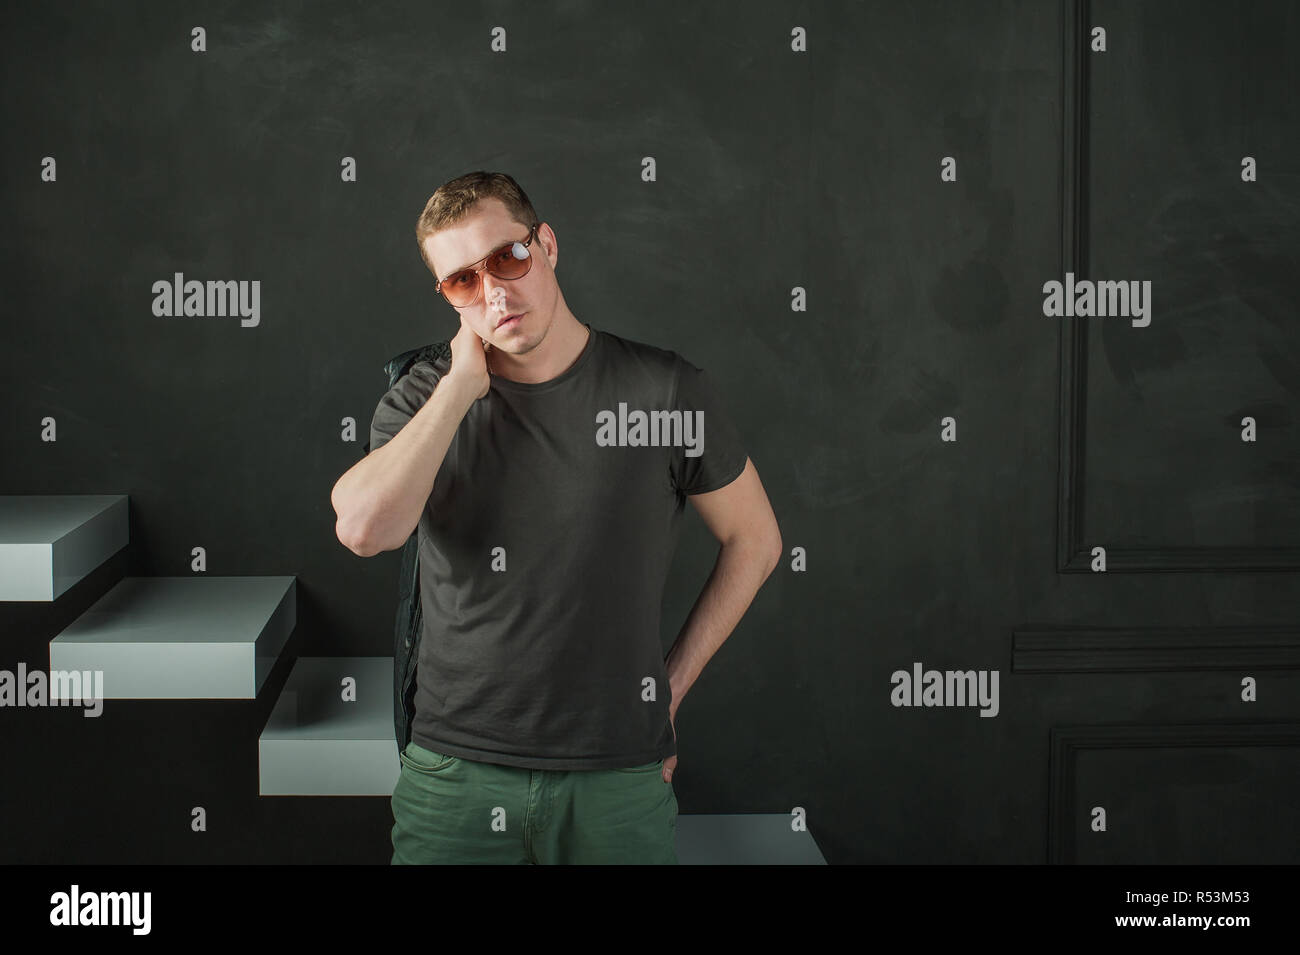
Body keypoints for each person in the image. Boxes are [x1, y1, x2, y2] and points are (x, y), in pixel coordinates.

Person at [330, 171, 782, 864]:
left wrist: (670, 686)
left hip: (617, 776)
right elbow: (365, 530)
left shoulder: (660, 390)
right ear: (447, 297)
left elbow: (755, 539)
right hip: (456, 772)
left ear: (546, 244)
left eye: (508, 258)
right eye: (463, 282)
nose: (495, 293)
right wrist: (459, 390)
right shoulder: (424, 396)